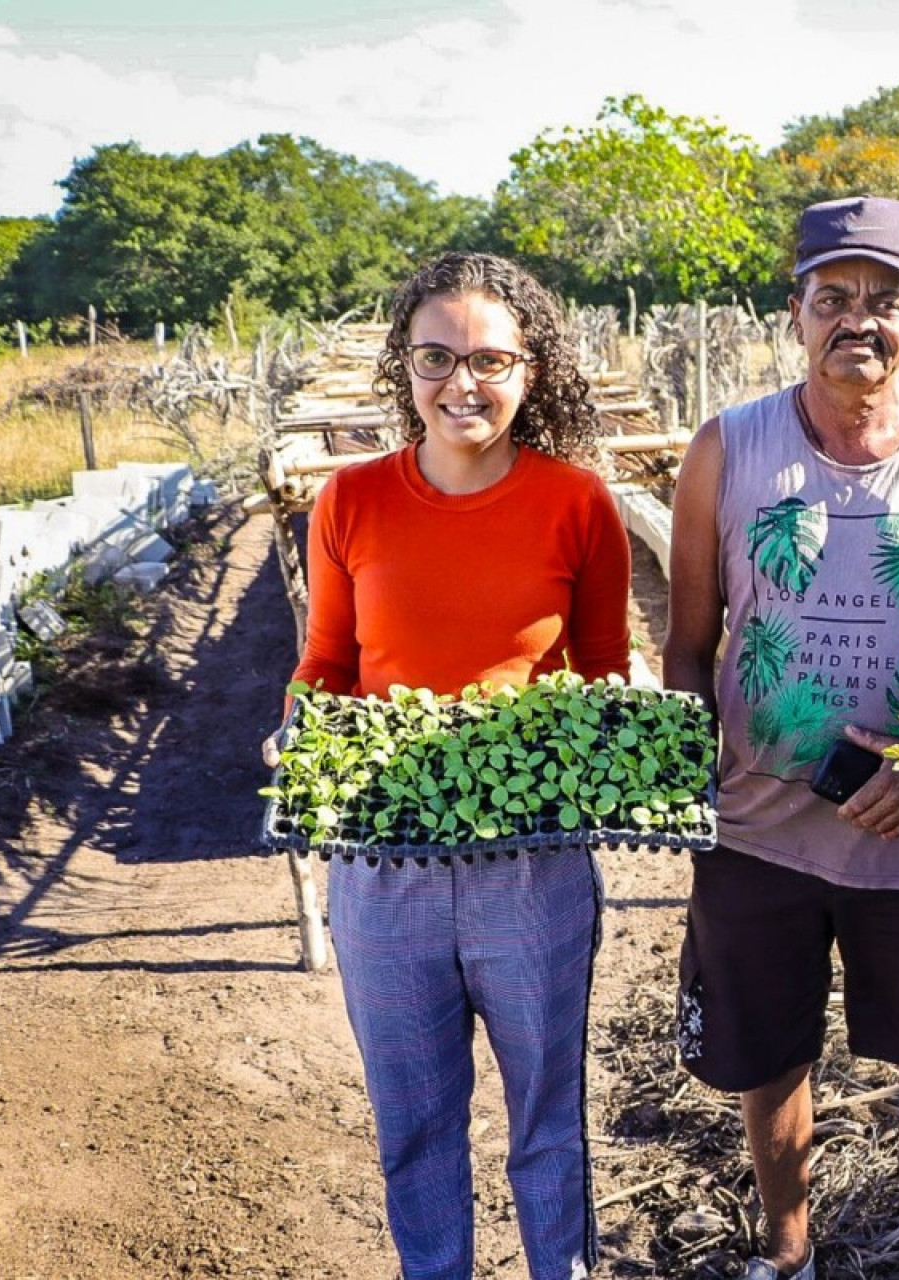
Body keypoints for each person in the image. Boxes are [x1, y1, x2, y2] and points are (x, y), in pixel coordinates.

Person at [663, 195, 899, 1280]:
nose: (857, 321)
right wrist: (692, 794)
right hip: (760, 834)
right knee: (769, 1061)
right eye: (834, 298)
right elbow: (689, 643)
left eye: (884, 300)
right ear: (795, 313)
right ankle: (789, 1250)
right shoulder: (728, 449)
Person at [268, 251, 633, 1279]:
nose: (460, 382)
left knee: (546, 1119)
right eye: (435, 356)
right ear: (405, 365)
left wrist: (604, 747)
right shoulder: (351, 502)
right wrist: (299, 726)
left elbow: (603, 672)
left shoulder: (579, 503)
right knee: (417, 1124)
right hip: (384, 865)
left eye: (489, 358)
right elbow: (327, 663)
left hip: (534, 859)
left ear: (532, 370)